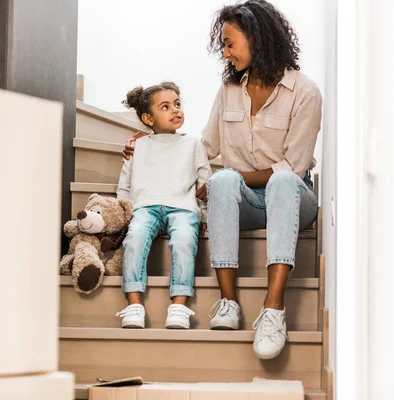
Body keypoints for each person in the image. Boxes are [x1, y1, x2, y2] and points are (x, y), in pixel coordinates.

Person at [122, 0, 322, 359]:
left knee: (277, 182)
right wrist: (152, 143)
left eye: (230, 43)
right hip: (244, 200)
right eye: (224, 45)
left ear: (257, 38)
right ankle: (228, 302)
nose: (226, 53)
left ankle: (273, 309)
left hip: (294, 197)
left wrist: (233, 174)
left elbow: (292, 165)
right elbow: (207, 145)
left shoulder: (305, 92)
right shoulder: (229, 90)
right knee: (225, 182)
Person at [115, 82, 212, 330]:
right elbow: (124, 184)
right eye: (165, 107)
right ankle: (134, 304)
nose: (175, 110)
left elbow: (205, 184)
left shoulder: (193, 144)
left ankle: (179, 305)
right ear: (148, 118)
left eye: (177, 104)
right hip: (145, 207)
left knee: (184, 241)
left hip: (183, 208)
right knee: (135, 237)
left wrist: (205, 217)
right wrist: (123, 212)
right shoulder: (137, 145)